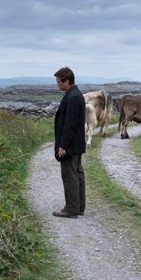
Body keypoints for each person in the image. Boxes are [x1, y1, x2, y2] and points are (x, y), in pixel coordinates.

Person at [52, 67, 86, 219]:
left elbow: (69, 125)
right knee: (77, 173)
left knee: (70, 175)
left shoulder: (72, 97)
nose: (57, 84)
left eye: (59, 81)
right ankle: (79, 206)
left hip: (70, 146)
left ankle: (71, 208)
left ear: (67, 81)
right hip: (77, 144)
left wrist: (63, 146)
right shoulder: (75, 94)